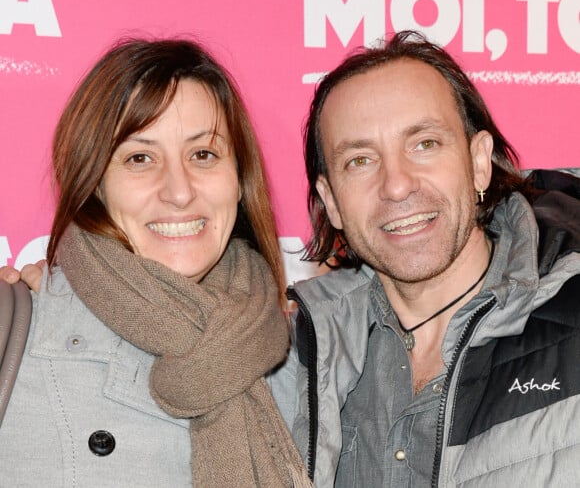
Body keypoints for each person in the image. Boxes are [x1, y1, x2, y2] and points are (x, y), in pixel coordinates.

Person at [270, 31, 580, 486]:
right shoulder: (294, 361)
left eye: (425, 144)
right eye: (360, 160)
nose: (397, 185)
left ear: (479, 161)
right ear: (330, 201)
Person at [0, 38, 310, 487]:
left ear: (239, 180)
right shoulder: (18, 335)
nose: (179, 191)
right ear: (95, 185)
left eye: (203, 155)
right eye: (140, 158)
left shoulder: (304, 361)